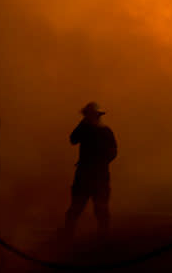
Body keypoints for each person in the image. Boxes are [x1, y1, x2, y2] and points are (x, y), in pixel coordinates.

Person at [64, 102, 117, 240]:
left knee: (97, 208)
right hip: (93, 175)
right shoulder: (95, 130)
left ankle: (102, 236)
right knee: (82, 207)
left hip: (90, 174)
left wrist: (100, 163)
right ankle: (70, 235)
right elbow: (73, 139)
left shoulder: (101, 130)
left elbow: (112, 152)